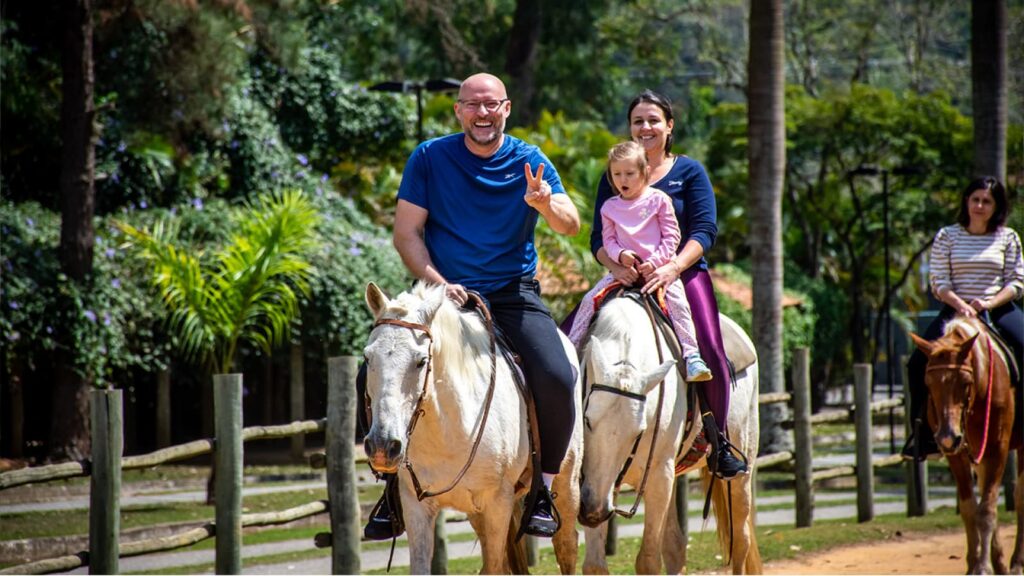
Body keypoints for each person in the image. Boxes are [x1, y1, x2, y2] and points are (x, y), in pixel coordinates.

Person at [359, 72, 581, 540]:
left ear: (506, 108)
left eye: (491, 105)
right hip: (442, 294)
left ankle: (541, 489)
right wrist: (440, 284)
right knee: (376, 367)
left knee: (558, 375)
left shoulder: (530, 160)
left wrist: (543, 204)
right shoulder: (429, 157)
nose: (482, 113)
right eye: (473, 105)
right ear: (458, 110)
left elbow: (571, 225)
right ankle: (391, 484)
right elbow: (407, 234)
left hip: (512, 292)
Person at [586, 89, 747, 480]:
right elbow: (597, 240)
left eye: (653, 120)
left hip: (681, 271)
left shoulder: (689, 172)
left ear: (669, 126)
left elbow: (705, 230)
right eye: (638, 121)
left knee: (708, 344)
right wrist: (616, 266)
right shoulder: (616, 171)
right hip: (624, 273)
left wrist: (673, 267)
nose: (645, 127)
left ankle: (718, 439)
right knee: (572, 334)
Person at [568, 141, 713, 383]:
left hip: (658, 271)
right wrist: (620, 257)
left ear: (644, 172)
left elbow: (672, 236)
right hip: (624, 272)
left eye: (629, 173)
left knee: (678, 303)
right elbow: (608, 240)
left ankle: (692, 355)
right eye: (616, 174)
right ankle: (571, 350)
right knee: (588, 300)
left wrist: (656, 262)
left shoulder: (659, 200)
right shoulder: (609, 207)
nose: (622, 179)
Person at [901, 176, 1024, 461]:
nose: (980, 205)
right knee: (917, 362)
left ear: (997, 207)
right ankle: (921, 437)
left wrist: (988, 303)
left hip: (998, 308)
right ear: (966, 202)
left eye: (987, 201)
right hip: (954, 309)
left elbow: (1017, 282)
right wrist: (961, 304)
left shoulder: (1008, 237)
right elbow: (939, 280)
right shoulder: (947, 236)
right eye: (975, 199)